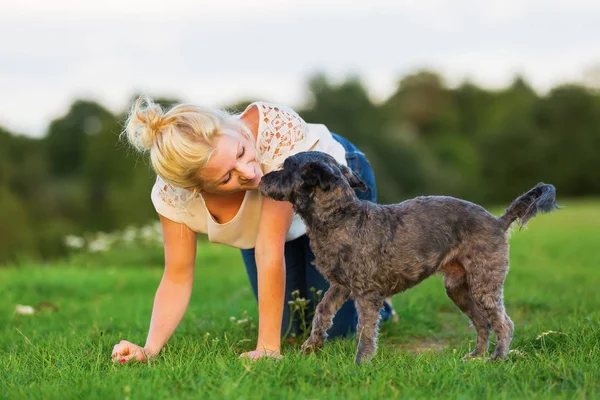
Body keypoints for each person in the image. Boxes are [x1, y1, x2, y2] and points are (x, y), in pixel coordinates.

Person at [111, 96, 394, 362]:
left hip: (333, 188)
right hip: (272, 228)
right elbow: (176, 276)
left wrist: (267, 349)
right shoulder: (174, 195)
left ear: (233, 129)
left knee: (335, 333)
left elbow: (270, 250)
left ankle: (378, 299)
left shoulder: (275, 136)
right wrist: (149, 349)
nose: (249, 173)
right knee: (290, 331)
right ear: (195, 188)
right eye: (226, 178)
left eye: (241, 152)